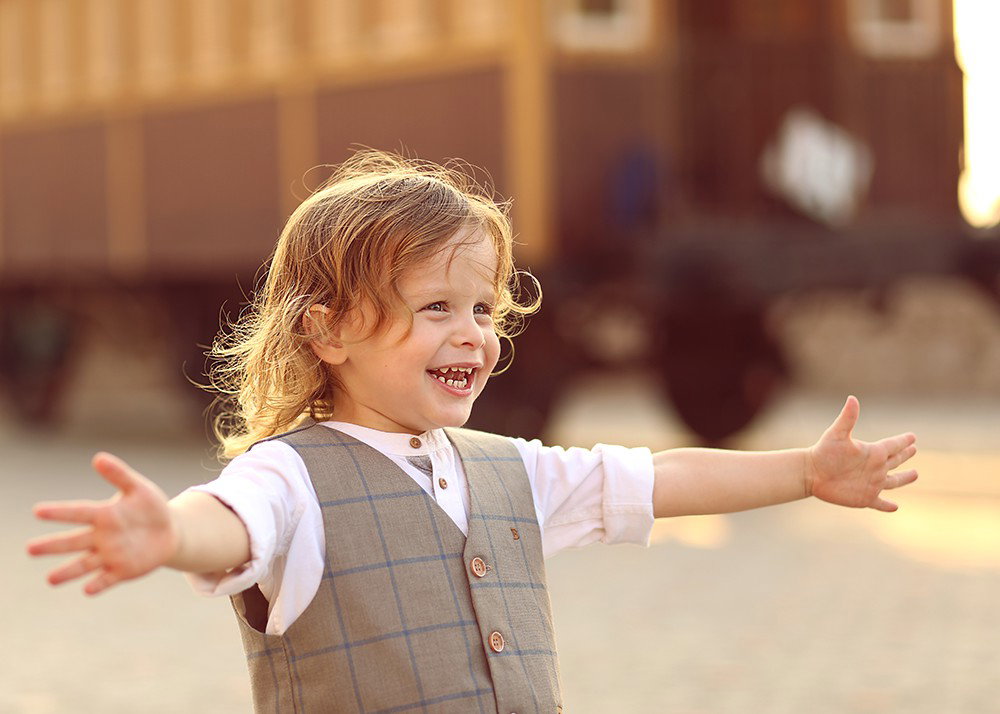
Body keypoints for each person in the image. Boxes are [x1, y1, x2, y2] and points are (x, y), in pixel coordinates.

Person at [27, 150, 918, 713]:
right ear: (327, 330)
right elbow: (229, 521)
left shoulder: (507, 472)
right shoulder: (290, 478)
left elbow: (655, 480)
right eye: (435, 307)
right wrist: (171, 534)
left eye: (484, 307)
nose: (473, 333)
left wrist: (805, 471)